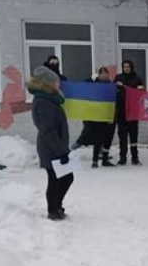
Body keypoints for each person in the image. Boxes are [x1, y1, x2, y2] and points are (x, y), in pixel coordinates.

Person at [29, 66, 72, 221]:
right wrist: (61, 151)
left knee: (65, 178)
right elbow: (48, 130)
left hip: (56, 146)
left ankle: (56, 206)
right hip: (51, 147)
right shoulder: (43, 102)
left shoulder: (49, 99)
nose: (57, 84)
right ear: (47, 83)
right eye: (55, 82)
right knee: (56, 179)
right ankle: (53, 210)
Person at [73, 67, 115, 168]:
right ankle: (94, 160)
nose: (104, 75)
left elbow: (113, 102)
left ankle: (104, 159)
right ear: (99, 75)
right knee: (96, 138)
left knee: (105, 139)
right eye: (102, 74)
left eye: (106, 73)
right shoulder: (93, 84)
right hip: (94, 116)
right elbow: (85, 90)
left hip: (106, 116)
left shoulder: (110, 86)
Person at [112, 60, 145, 166]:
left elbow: (141, 93)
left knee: (134, 136)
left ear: (132, 67)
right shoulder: (118, 78)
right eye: (124, 67)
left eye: (128, 67)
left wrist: (126, 87)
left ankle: (135, 158)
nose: (126, 68)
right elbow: (112, 91)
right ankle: (122, 158)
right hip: (121, 112)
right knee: (122, 136)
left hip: (133, 112)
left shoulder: (137, 79)